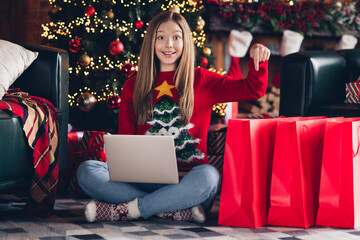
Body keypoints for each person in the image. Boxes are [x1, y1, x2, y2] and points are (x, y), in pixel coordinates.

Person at [76, 10, 270, 223]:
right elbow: (125, 141)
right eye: (161, 37)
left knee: (209, 176)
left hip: (188, 183)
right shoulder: (133, 85)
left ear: (185, 41)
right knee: (87, 171)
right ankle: (172, 210)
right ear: (152, 42)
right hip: (142, 181)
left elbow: (253, 89)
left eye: (176, 37)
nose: (169, 44)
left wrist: (256, 59)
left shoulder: (203, 80)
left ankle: (128, 209)